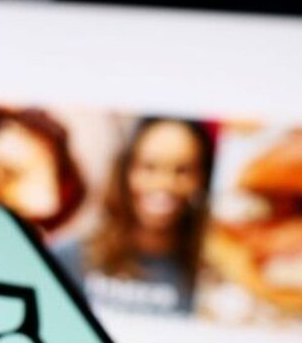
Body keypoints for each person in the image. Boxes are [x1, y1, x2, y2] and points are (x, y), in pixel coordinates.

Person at [76, 117, 214, 314]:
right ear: (125, 171)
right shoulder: (70, 258)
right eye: (149, 167)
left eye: (183, 171)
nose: (165, 184)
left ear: (203, 179)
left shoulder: (212, 278)